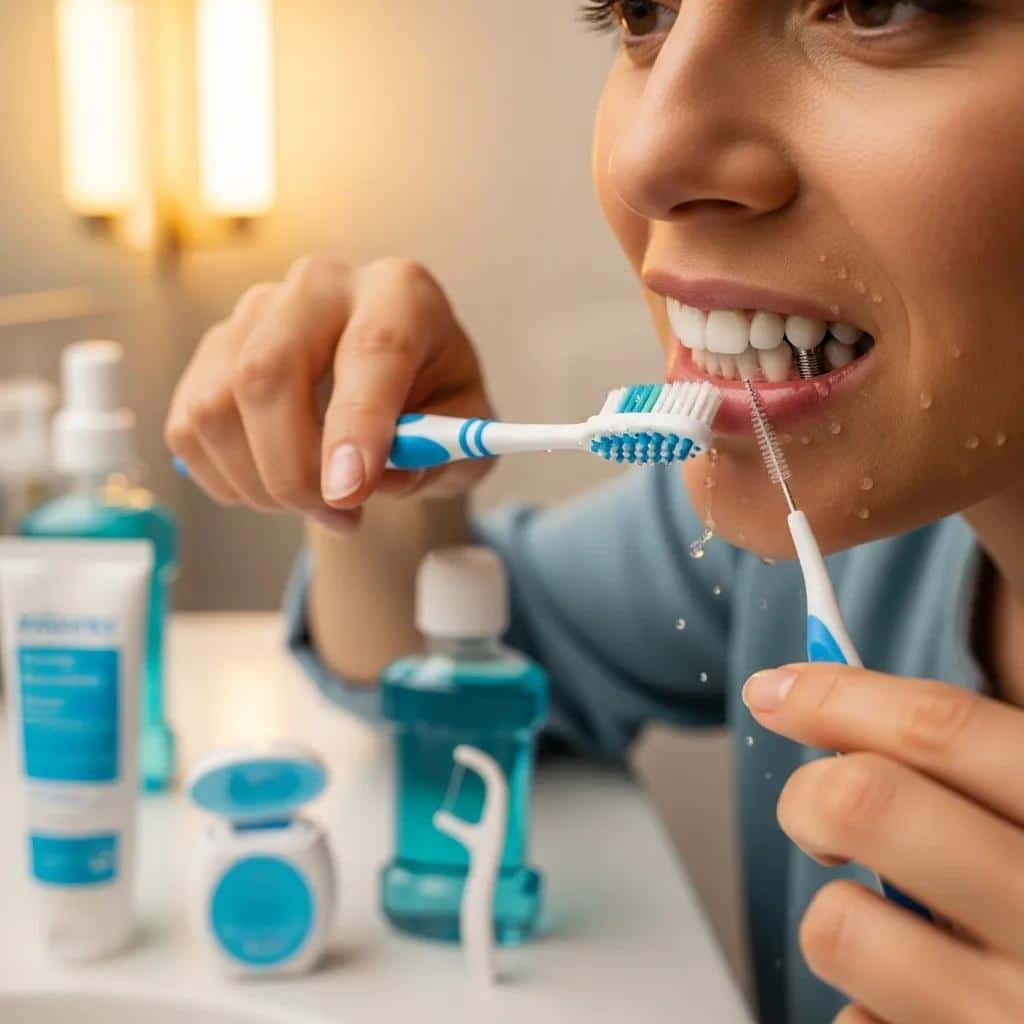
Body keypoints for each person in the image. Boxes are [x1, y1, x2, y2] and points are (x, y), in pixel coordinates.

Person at [164, 2, 1024, 1020]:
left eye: (878, 5)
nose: (647, 154)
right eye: (640, 12)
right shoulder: (849, 534)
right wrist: (380, 458)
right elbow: (454, 654)